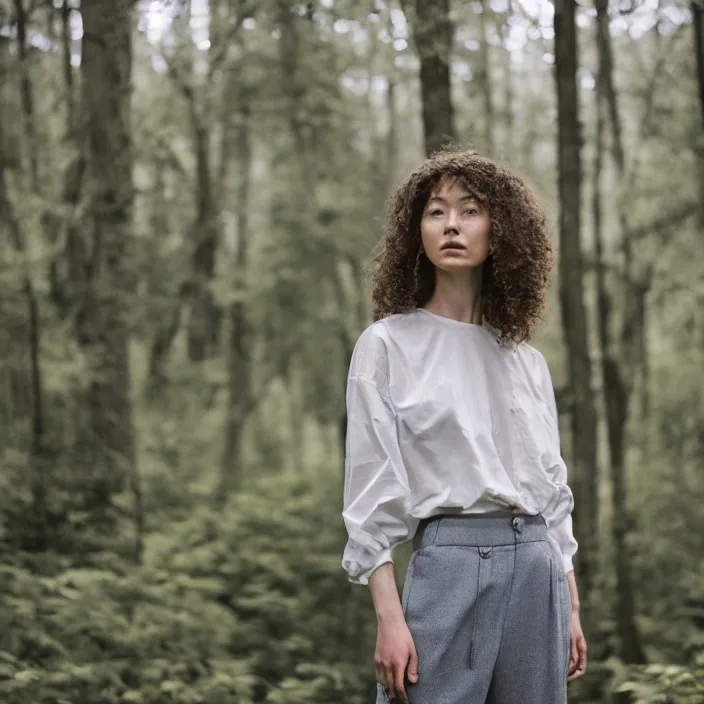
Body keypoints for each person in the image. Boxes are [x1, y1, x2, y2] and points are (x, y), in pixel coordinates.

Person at [340, 148, 588, 704]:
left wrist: (569, 604)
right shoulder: (387, 344)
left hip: (537, 568)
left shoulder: (525, 360)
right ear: (417, 233)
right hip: (448, 563)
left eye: (470, 210)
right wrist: (389, 617)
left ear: (499, 230)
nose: (452, 223)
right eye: (435, 211)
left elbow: (552, 492)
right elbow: (369, 494)